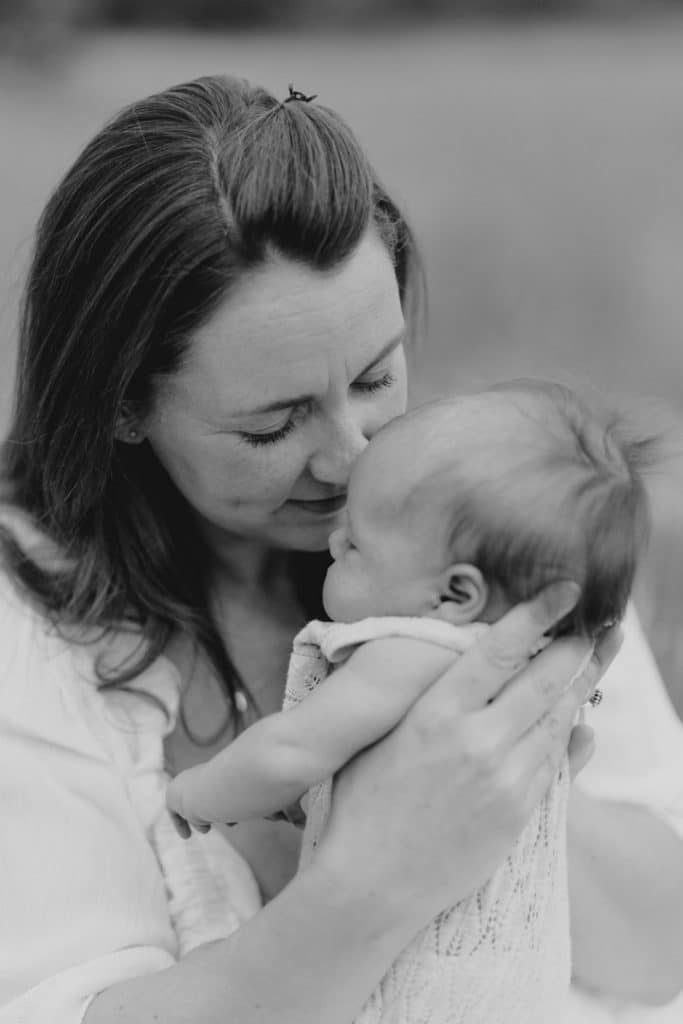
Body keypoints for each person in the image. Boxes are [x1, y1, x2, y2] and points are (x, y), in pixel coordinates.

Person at [0, 75, 681, 1024]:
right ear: (119, 405)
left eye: (372, 377)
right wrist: (374, 878)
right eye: (272, 424)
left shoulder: (494, 508)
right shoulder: (25, 637)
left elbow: (661, 950)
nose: (353, 457)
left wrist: (510, 781)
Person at [165, 381, 653, 1024]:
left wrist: (200, 792)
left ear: (455, 596)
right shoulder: (549, 666)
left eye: (357, 545)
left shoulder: (409, 653)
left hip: (417, 991)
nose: (335, 541)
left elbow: (287, 750)